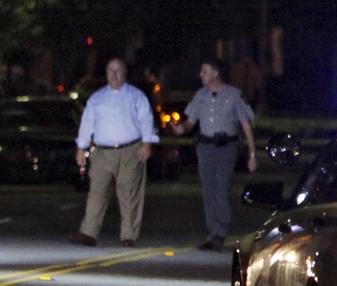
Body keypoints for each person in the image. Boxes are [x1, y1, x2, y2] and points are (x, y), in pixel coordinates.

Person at [169, 57, 256, 251]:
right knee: (209, 192)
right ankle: (213, 233)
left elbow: (246, 125)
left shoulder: (234, 95)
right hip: (205, 148)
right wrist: (181, 128)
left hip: (226, 148)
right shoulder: (200, 95)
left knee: (221, 190)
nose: (201, 74)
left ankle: (219, 233)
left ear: (215, 74)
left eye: (205, 71)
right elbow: (190, 122)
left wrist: (252, 154)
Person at [71, 58, 159, 247]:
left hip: (130, 150)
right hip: (102, 152)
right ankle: (88, 232)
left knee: (129, 194)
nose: (114, 75)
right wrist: (81, 148)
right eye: (110, 71)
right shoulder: (97, 99)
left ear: (124, 73)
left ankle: (129, 235)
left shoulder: (136, 96)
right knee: (97, 193)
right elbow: (87, 124)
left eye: (118, 71)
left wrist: (147, 143)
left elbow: (146, 120)